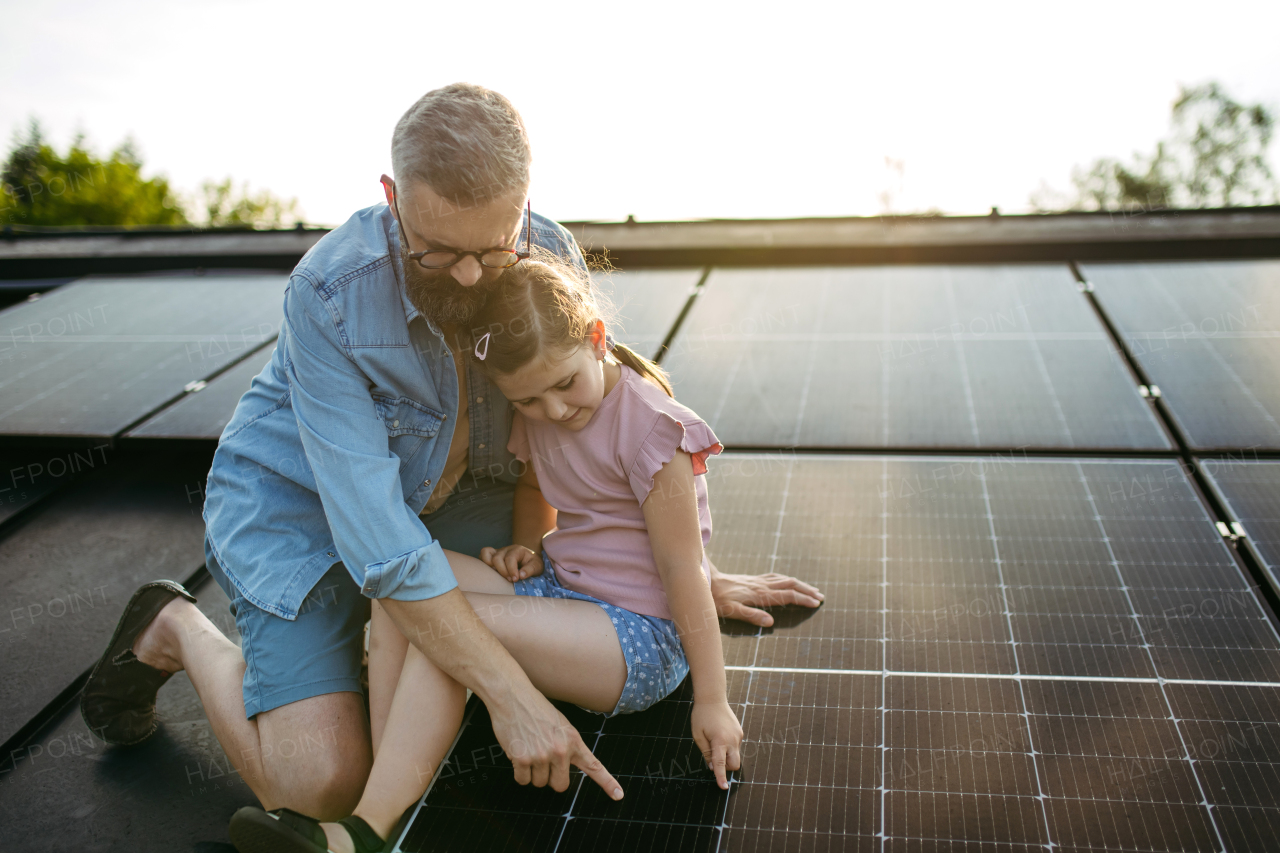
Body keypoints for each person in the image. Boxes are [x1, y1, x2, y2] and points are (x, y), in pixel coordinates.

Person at [80, 83, 823, 844]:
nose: (470, 275)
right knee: (317, 783)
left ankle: (372, 770)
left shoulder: (550, 252)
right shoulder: (328, 292)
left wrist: (683, 572)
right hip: (298, 506)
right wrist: (509, 693)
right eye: (438, 251)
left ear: (524, 204)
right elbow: (384, 543)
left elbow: (595, 445)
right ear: (391, 197)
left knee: (419, 680)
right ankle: (175, 627)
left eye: (492, 249)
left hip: (453, 497)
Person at [229, 252, 746, 851]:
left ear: (597, 337)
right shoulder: (539, 406)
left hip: (637, 637)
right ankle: (386, 781)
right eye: (528, 401)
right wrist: (528, 545)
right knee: (410, 580)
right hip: (560, 594)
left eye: (564, 385)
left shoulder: (654, 430)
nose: (554, 411)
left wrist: (712, 700)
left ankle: (365, 834)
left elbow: (683, 568)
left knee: (450, 624)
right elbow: (534, 484)